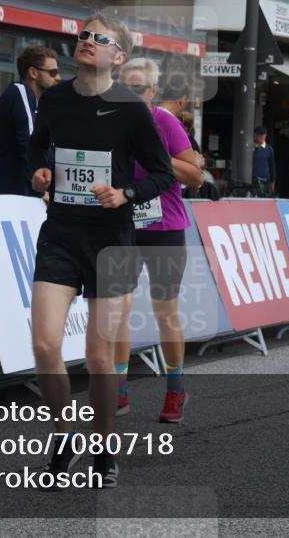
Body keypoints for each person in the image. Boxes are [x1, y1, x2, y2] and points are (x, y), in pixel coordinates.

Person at [27, 13, 174, 488]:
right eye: (84, 35)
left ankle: (105, 447)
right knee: (46, 344)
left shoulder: (132, 108)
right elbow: (36, 151)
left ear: (118, 55)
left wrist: (126, 194)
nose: (87, 42)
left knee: (98, 357)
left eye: (99, 38)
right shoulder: (54, 99)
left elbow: (163, 174)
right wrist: (40, 175)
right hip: (62, 235)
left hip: (113, 240)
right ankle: (63, 433)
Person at [113, 59, 203, 425]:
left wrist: (158, 157)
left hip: (165, 228)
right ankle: (118, 383)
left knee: (165, 312)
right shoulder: (110, 123)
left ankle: (175, 386)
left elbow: (195, 175)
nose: (129, 96)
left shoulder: (165, 123)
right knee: (118, 305)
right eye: (124, 88)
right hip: (124, 225)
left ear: (152, 92)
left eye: (138, 89)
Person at [0, 46, 61, 196]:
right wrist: (40, 191)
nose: (58, 77)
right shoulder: (20, 91)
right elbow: (30, 142)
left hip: (11, 197)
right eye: (52, 72)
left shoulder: (36, 105)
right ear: (33, 72)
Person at [252, 126, 276, 196]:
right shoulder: (251, 147)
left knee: (263, 198)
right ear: (255, 135)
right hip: (253, 180)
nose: (261, 136)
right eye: (258, 134)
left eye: (263, 134)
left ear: (265, 135)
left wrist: (272, 182)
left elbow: (272, 166)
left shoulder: (269, 149)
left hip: (265, 180)